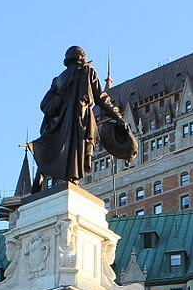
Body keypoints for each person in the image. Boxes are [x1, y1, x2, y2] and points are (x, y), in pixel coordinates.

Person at [30, 45, 128, 190]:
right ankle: (73, 179)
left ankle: (40, 178)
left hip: (59, 122)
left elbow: (44, 104)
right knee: (76, 149)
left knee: (54, 149)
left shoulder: (58, 79)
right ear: (82, 57)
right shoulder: (87, 71)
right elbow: (101, 98)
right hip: (79, 119)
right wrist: (118, 117)